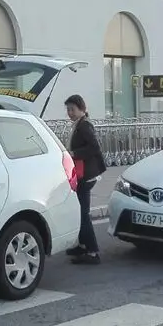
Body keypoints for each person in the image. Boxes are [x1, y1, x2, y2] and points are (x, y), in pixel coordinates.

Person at [63, 94, 107, 265]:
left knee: (83, 213)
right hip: (84, 173)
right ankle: (82, 245)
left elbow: (94, 147)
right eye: (68, 109)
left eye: (72, 109)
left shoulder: (84, 126)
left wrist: (74, 154)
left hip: (87, 175)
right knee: (79, 211)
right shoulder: (79, 124)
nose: (70, 113)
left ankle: (93, 252)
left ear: (82, 109)